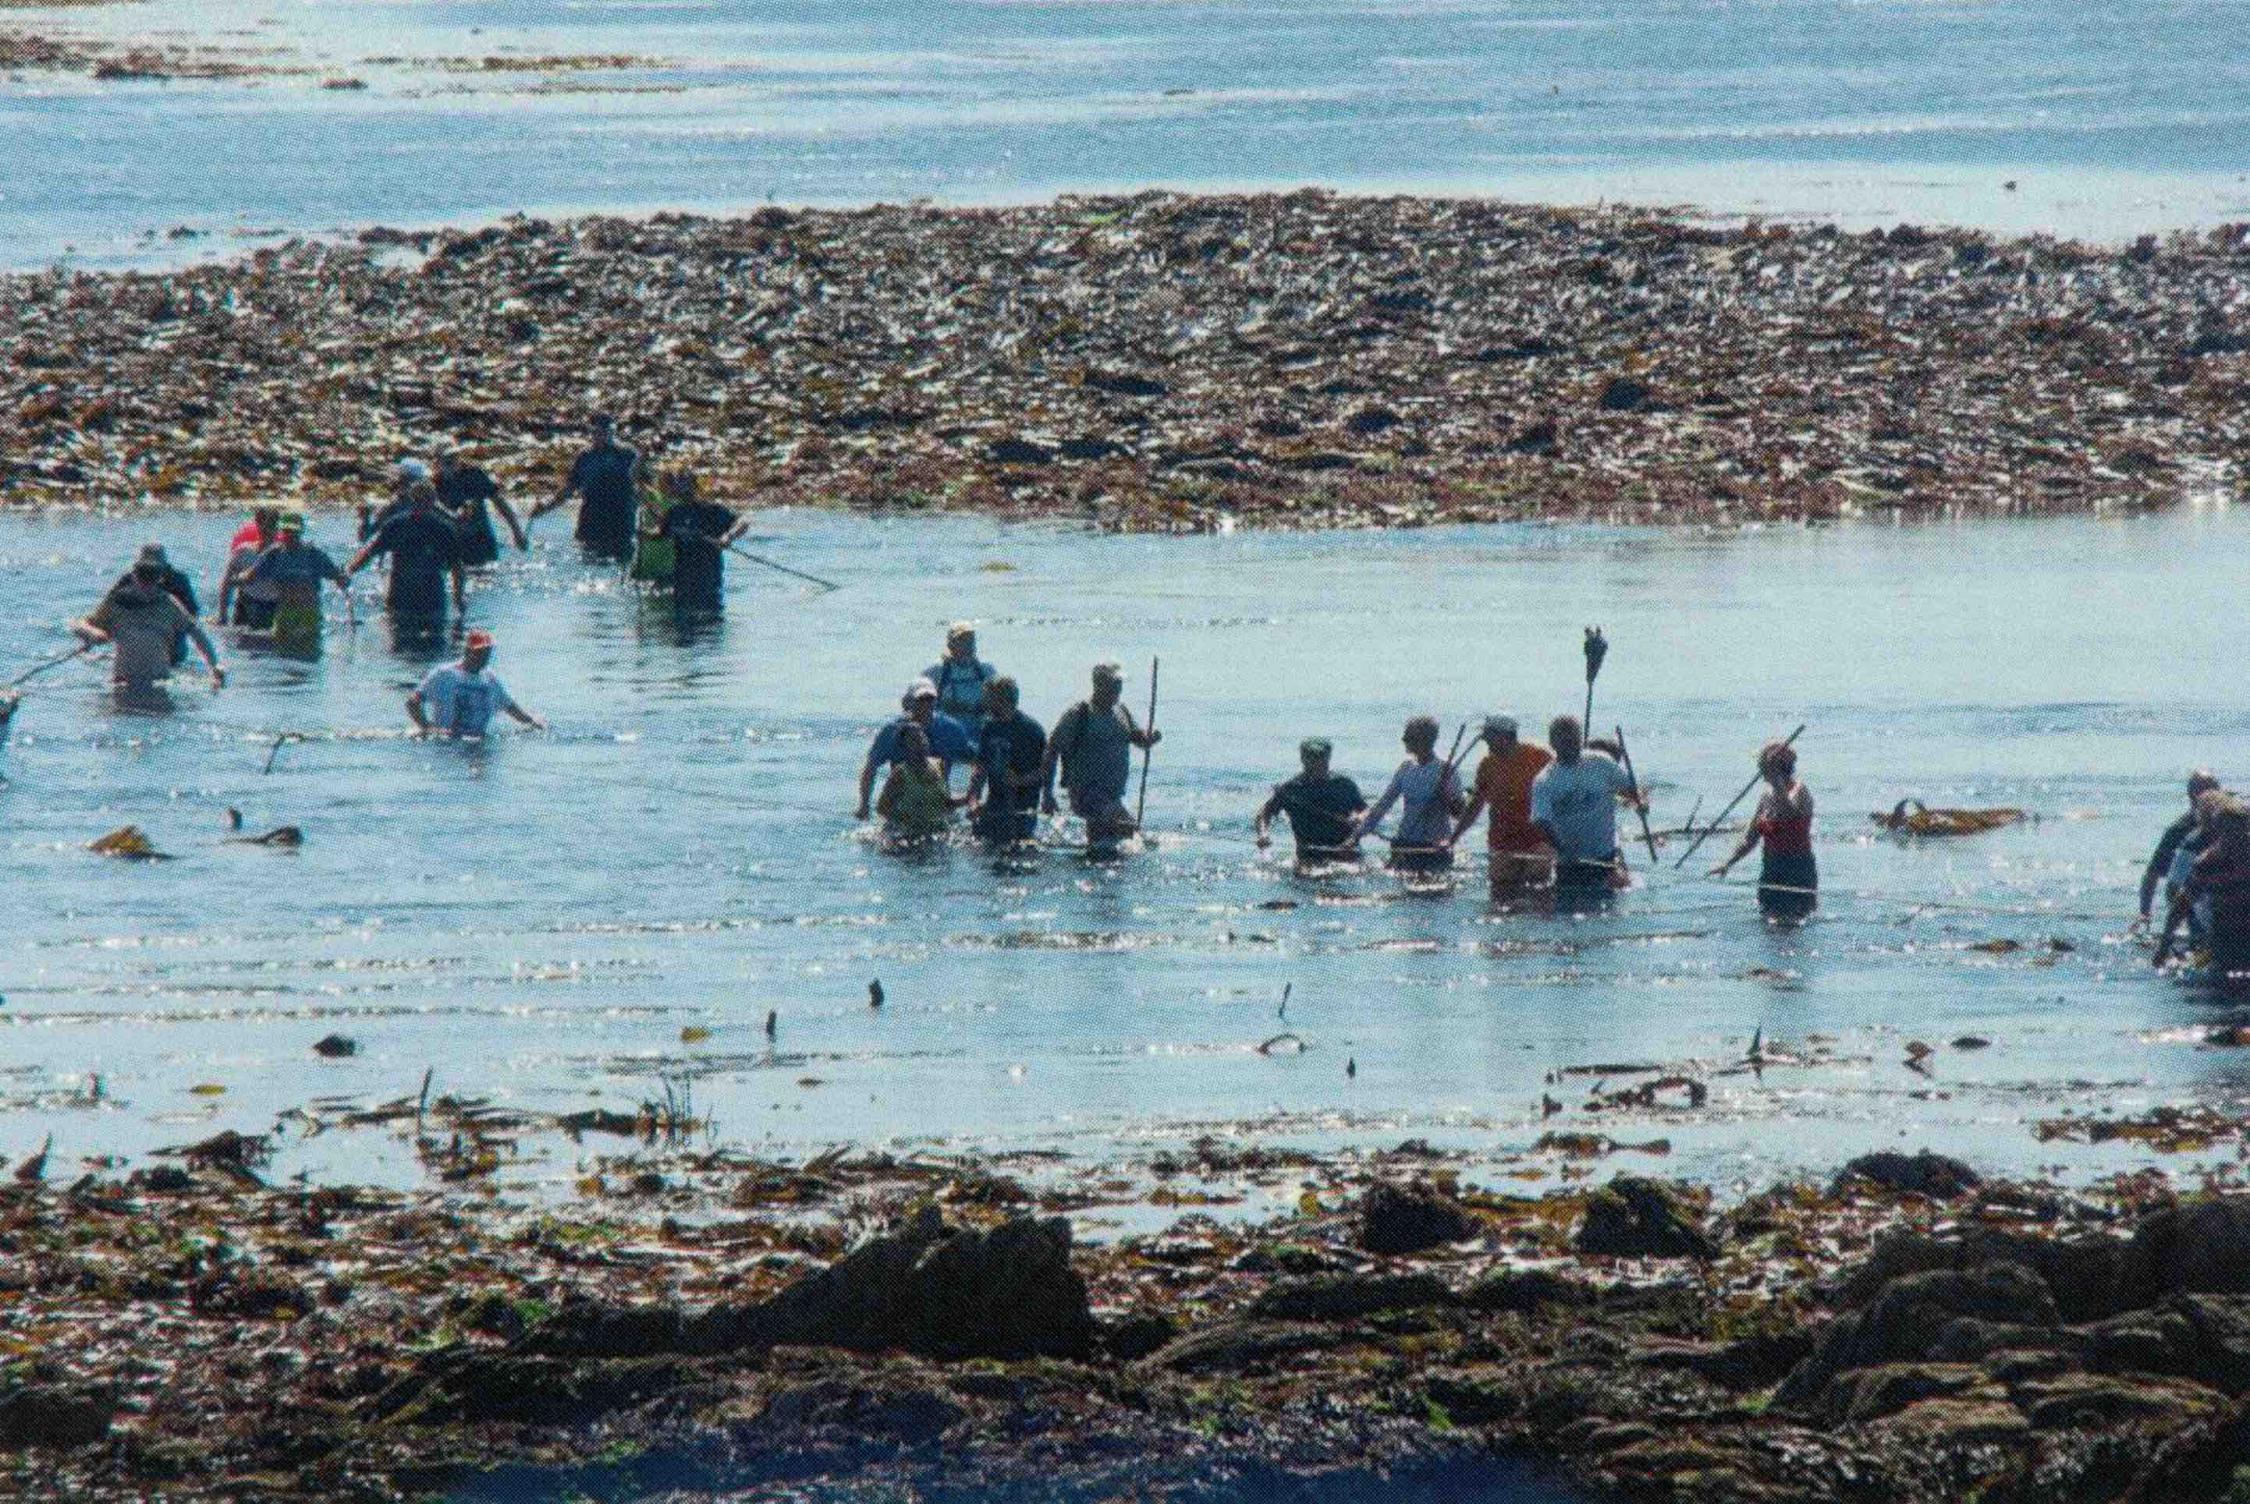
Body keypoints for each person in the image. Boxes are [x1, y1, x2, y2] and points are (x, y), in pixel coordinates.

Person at [1041, 662, 1161, 844]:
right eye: (1114, 684)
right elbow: (1052, 749)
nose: (1118, 689)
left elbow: (1138, 738)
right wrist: (1048, 794)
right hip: (1086, 793)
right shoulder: (1079, 715)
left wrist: (1149, 738)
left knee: (1107, 841)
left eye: (1119, 684)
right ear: (1099, 685)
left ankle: (1093, 865)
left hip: (1113, 794)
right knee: (1127, 827)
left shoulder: (1121, 711)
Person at [75, 556, 225, 697]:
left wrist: (214, 667)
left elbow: (196, 633)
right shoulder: (118, 602)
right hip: (123, 683)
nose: (147, 587)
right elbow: (79, 625)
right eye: (142, 581)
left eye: (151, 581)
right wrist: (92, 632)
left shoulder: (167, 603)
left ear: (158, 580)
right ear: (134, 578)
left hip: (159, 683)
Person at [1529, 715, 1641, 900]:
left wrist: (1640, 803)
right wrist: (1562, 848)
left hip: (1605, 857)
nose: (1570, 746)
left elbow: (1630, 788)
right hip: (1570, 862)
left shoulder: (1601, 763)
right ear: (1553, 743)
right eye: (1564, 741)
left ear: (1580, 740)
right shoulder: (1545, 781)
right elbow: (1541, 820)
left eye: (1574, 740)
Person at [1711, 740, 1817, 918]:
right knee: (1769, 925)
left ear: (1778, 767)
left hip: (1797, 869)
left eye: (1763, 766)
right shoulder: (1765, 796)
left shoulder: (1800, 791)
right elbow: (1751, 837)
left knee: (1794, 922)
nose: (1760, 771)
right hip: (1771, 868)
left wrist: (1777, 783)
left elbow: (1788, 811)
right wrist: (1727, 863)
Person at [1448, 715, 1554, 893]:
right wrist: (1453, 838)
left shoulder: (1540, 757)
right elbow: (1475, 806)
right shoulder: (1487, 765)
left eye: (1488, 736)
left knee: (1537, 889)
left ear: (1505, 737)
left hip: (1537, 839)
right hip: (1502, 843)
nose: (1484, 740)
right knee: (1501, 893)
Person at [1349, 716, 1466, 874]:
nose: (1403, 739)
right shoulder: (1406, 769)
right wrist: (1357, 835)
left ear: (1424, 740)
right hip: (1405, 844)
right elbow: (1383, 805)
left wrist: (1445, 793)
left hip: (1434, 848)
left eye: (1409, 736)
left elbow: (1460, 814)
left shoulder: (1446, 771)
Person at [346, 481, 466, 627]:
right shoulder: (444, 528)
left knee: (399, 640)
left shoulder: (395, 525)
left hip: (401, 596)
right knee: (434, 641)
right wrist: (458, 599)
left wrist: (348, 571)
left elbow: (369, 553)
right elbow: (457, 568)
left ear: (411, 500)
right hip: (431, 598)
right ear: (434, 501)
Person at [2160, 792, 2250, 982]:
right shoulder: (2207, 863)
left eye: (2239, 834)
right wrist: (2164, 945)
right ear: (2217, 833)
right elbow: (2180, 906)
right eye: (2227, 834)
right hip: (2224, 937)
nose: (2234, 842)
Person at [857, 679, 976, 820]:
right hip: (902, 805)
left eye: (930, 699)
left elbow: (977, 761)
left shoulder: (950, 730)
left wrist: (973, 798)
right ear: (909, 702)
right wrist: (864, 804)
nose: (925, 705)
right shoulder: (892, 731)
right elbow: (871, 767)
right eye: (920, 700)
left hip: (936, 804)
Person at [533, 414, 640, 558]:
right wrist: (545, 507)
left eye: (606, 432)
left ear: (613, 433)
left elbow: (645, 488)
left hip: (621, 524)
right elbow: (569, 490)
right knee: (591, 561)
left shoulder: (628, 455)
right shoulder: (585, 458)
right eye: (597, 432)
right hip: (591, 524)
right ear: (591, 433)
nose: (601, 436)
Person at [245, 512, 351, 655]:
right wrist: (237, 578)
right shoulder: (273, 554)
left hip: (308, 613)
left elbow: (337, 576)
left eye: (293, 531)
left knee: (308, 653)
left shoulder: (313, 554)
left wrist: (343, 579)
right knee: (283, 655)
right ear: (281, 531)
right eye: (286, 531)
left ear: (300, 531)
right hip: (284, 612)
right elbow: (250, 576)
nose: (290, 535)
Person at [406, 630, 544, 737]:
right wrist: (426, 727)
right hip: (447, 744)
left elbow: (511, 708)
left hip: (478, 741)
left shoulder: (490, 680)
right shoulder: (444, 674)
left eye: (487, 653)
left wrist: (533, 722)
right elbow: (413, 702)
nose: (483, 657)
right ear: (468, 651)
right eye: (479, 652)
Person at [1255, 738, 1367, 864]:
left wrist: (1359, 818)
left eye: (1320, 757)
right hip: (1308, 854)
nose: (1316, 762)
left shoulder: (1344, 785)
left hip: (1346, 852)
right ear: (1302, 759)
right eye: (1311, 757)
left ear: (1328, 758)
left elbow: (1367, 811)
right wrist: (1263, 834)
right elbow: (1264, 813)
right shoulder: (1291, 789)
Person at [965, 676, 1046, 844]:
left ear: (1002, 700)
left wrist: (1020, 780)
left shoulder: (1031, 730)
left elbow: (1045, 771)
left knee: (1017, 848)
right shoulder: (989, 728)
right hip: (995, 801)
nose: (984, 702)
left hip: (1023, 805)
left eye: (988, 698)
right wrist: (973, 800)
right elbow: (980, 769)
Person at [2140, 770, 2223, 930]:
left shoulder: (2233, 824)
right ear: (2192, 796)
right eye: (2205, 791)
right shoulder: (2179, 831)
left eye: (2215, 791)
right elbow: (2153, 874)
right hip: (2195, 901)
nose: (2212, 797)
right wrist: (2145, 912)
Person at [655, 473, 744, 614]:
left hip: (709, 579)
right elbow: (660, 534)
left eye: (687, 485)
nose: (684, 489)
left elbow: (742, 522)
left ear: (696, 487)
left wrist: (728, 537)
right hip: (682, 580)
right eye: (680, 485)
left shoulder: (712, 510)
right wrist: (642, 533)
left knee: (710, 622)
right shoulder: (673, 513)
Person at [435, 448, 527, 566]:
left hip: (482, 539)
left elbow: (500, 503)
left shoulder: (474, 475)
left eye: (454, 459)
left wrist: (517, 532)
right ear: (437, 463)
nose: (452, 465)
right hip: (455, 543)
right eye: (447, 461)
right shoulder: (434, 485)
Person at [108, 544, 198, 664]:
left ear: (166, 566)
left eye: (154, 571)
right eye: (143, 571)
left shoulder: (178, 582)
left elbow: (192, 615)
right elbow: (109, 610)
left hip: (171, 645)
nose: (148, 577)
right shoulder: (128, 579)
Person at [874, 722, 957, 842]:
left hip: (937, 832)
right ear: (905, 747)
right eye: (914, 740)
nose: (920, 743)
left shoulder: (940, 765)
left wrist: (970, 800)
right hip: (906, 835)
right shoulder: (900, 774)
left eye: (922, 738)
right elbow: (881, 809)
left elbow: (945, 801)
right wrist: (906, 821)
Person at [218, 508, 284, 629]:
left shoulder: (284, 555)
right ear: (257, 524)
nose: (268, 530)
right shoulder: (243, 552)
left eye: (272, 525)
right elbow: (226, 585)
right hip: (247, 605)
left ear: (277, 527)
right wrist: (222, 615)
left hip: (274, 606)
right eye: (264, 524)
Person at [926, 624, 998, 735]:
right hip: (947, 734)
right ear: (950, 645)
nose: (967, 647)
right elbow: (917, 702)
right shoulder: (936, 671)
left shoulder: (986, 671)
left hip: (981, 732)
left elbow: (1002, 702)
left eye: (970, 642)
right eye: (961, 642)